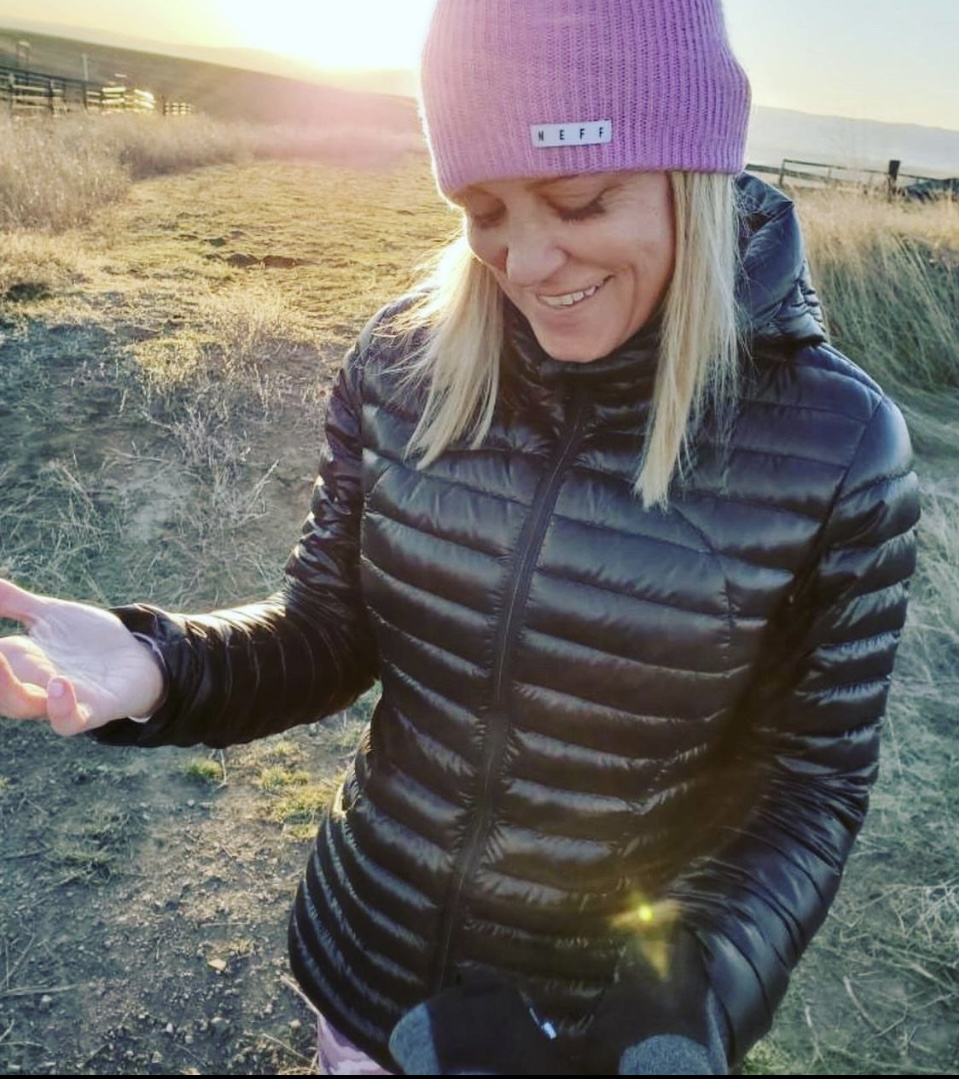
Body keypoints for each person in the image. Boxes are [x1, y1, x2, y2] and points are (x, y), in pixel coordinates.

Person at [0, 0, 920, 1074]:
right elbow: (327, 631)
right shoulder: (400, 365)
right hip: (365, 973)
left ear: (692, 173)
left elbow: (806, 784)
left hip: (591, 1031)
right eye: (481, 210)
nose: (525, 261)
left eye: (576, 199)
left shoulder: (838, 446)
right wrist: (159, 661)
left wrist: (684, 998)